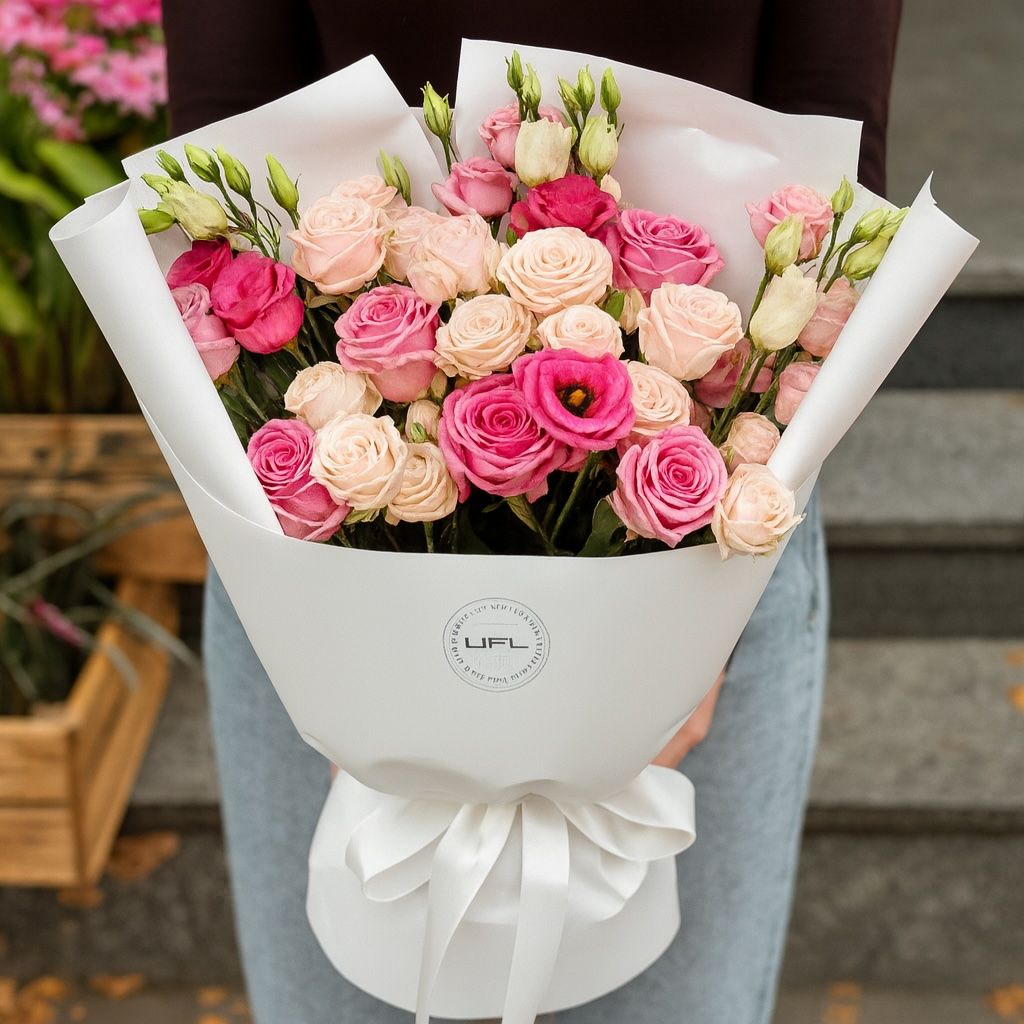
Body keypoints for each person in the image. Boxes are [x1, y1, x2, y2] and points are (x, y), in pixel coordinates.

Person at [164, 3, 902, 1021]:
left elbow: (834, 134)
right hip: (315, 550)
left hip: (706, 547)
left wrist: (694, 618)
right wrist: (320, 644)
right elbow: (223, 122)